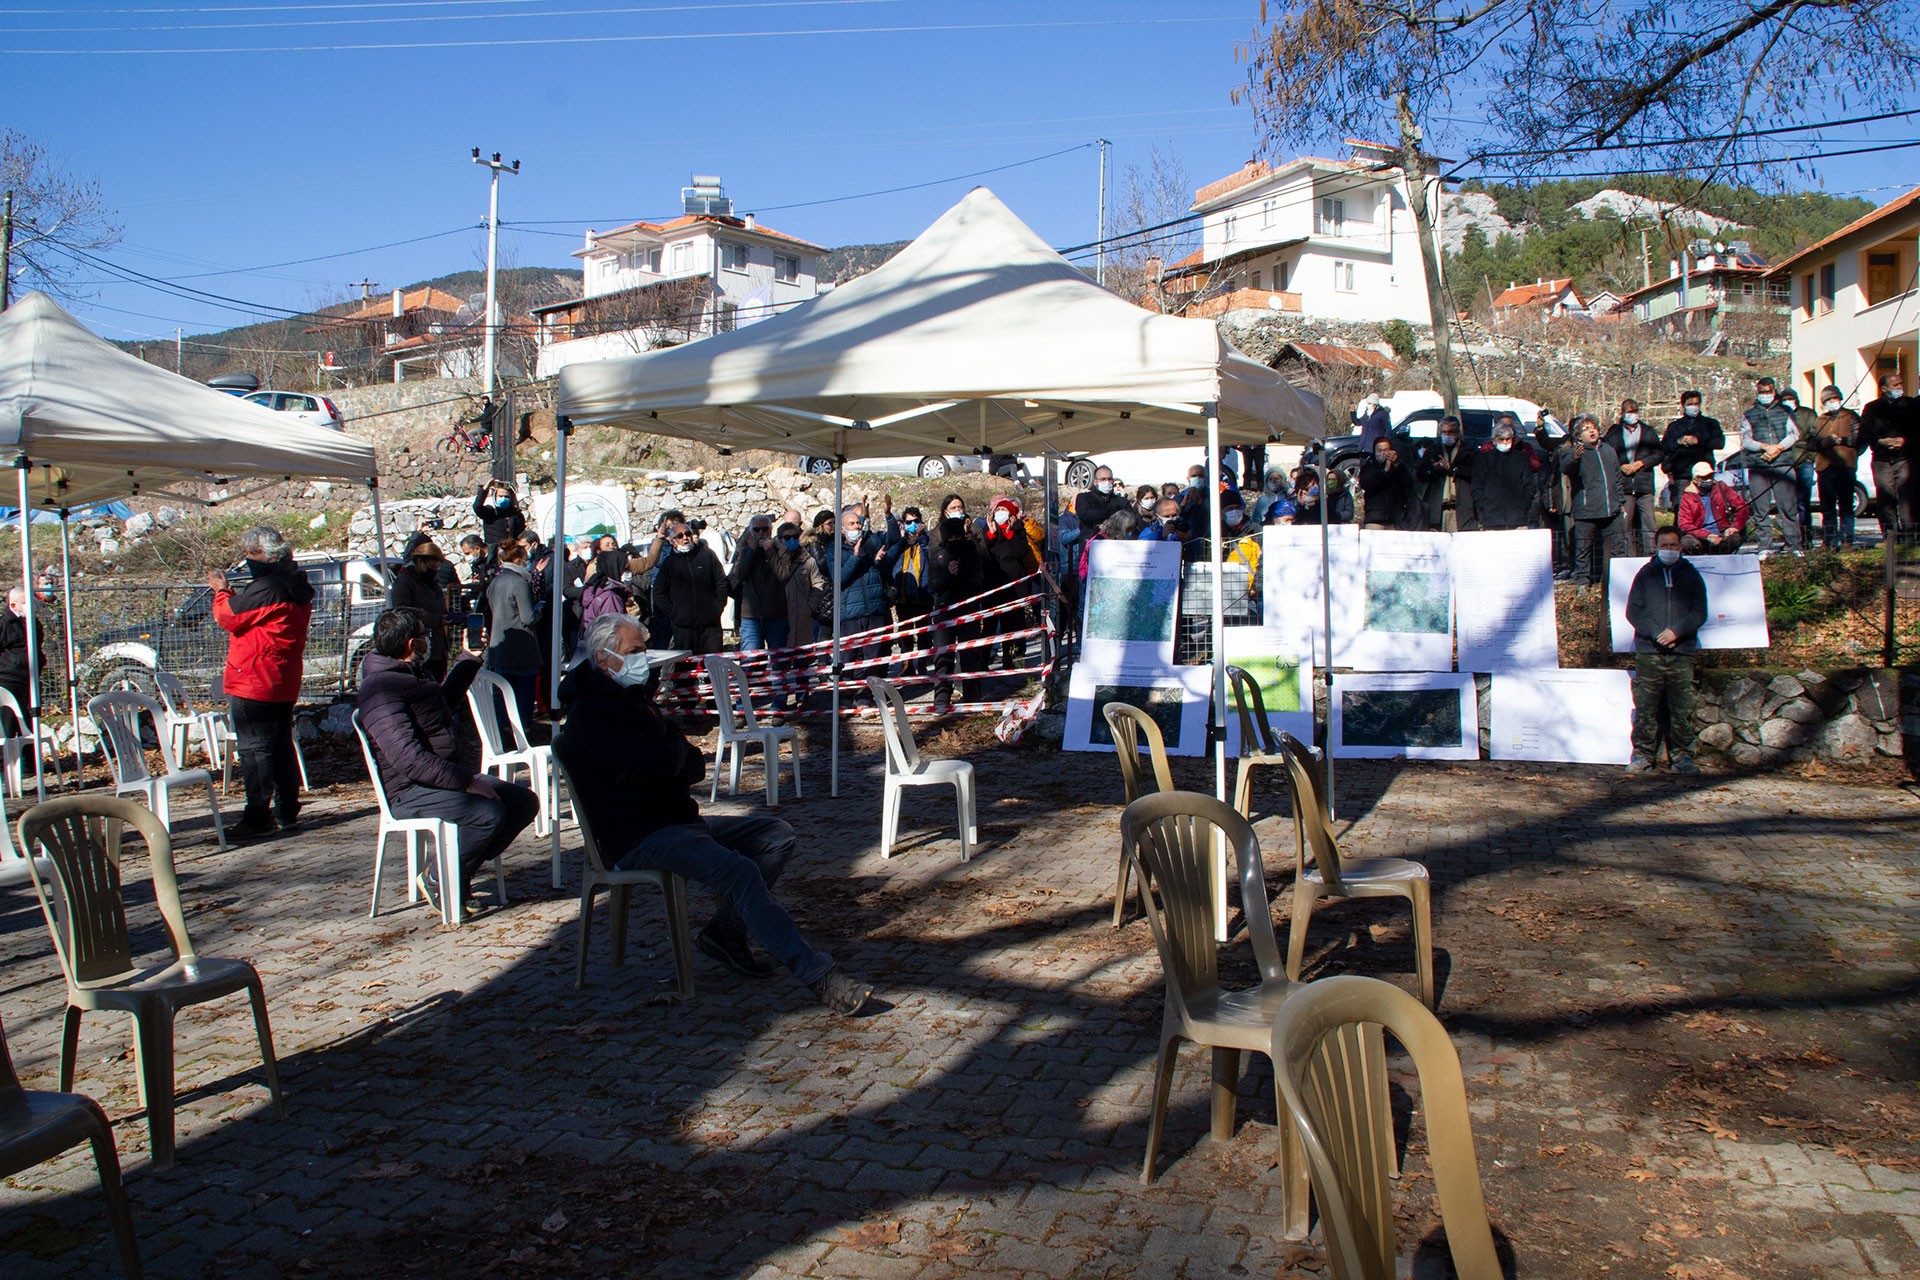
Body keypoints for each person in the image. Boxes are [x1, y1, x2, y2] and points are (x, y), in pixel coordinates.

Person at [555, 613, 874, 1015]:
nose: (643, 660)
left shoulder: (636, 700)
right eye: (634, 652)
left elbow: (690, 765)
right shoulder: (590, 715)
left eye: (643, 650)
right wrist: (669, 759)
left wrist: (667, 760)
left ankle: (726, 931)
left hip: (678, 820)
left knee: (776, 835)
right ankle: (818, 975)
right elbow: (659, 763)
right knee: (739, 871)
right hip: (640, 835)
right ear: (604, 660)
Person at [357, 608, 539, 912]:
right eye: (424, 635)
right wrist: (466, 782)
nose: (430, 640)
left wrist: (469, 658)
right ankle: (439, 877)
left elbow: (444, 704)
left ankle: (456, 871)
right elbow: (408, 759)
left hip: (441, 778)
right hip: (410, 790)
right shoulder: (380, 690)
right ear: (410, 644)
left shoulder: (410, 672)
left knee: (522, 802)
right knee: (487, 813)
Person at [210, 526, 312, 839]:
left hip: (254, 678)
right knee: (280, 748)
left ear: (266, 555)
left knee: (255, 750)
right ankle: (286, 810)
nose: (247, 559)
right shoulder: (297, 584)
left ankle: (257, 816)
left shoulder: (268, 587)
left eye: (251, 554)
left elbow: (229, 616)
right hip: (282, 678)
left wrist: (221, 590)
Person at [1625, 527, 1706, 776]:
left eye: (1673, 546)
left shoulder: (1692, 576)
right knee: (1646, 708)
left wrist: (1676, 632)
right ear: (1656, 546)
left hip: (1681, 652)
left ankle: (1682, 757)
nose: (1669, 550)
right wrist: (1657, 633)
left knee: (1681, 708)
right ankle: (1642, 755)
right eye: (1665, 545)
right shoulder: (1645, 575)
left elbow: (1699, 612)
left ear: (1680, 548)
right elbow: (1634, 611)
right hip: (1650, 652)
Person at [1733, 375, 1802, 554]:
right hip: (1759, 465)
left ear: (1774, 391)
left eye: (1768, 391)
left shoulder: (1786, 411)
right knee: (1760, 508)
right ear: (1757, 392)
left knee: (1788, 507)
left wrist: (1778, 448)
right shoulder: (1749, 414)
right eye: (1762, 392)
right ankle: (1764, 546)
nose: (1765, 395)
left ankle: (1793, 545)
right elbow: (1746, 440)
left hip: (1783, 464)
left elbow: (1794, 434)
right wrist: (1764, 447)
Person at [928, 511, 986, 713]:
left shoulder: (971, 552)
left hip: (967, 609)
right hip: (943, 610)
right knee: (943, 655)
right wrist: (948, 575)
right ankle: (942, 698)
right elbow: (933, 584)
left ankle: (972, 696)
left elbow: (978, 581)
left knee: (970, 654)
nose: (954, 541)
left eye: (957, 537)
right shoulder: (937, 555)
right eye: (950, 538)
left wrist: (960, 575)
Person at [1560, 415, 1625, 588]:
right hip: (1586, 512)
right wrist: (1575, 457)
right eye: (1586, 429)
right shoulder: (1572, 452)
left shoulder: (1608, 450)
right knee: (1583, 549)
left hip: (1611, 509)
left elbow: (1617, 477)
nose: (1591, 431)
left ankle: (1615, 581)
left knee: (1616, 549)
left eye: (1593, 427)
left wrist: (1620, 500)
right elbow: (1566, 467)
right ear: (1578, 436)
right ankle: (1583, 582)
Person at [483, 537, 541, 726]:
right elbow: (527, 618)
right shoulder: (518, 582)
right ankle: (523, 729)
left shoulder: (495, 582)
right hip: (520, 647)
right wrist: (539, 609)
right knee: (524, 693)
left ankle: (503, 728)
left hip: (499, 644)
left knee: (504, 693)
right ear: (519, 561)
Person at [653, 518, 729, 654]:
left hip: (710, 625)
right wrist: (674, 613)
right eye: (680, 536)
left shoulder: (707, 556)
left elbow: (721, 582)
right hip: (683, 628)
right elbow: (659, 593)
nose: (685, 538)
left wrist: (717, 607)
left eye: (688, 534)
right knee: (685, 668)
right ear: (672, 541)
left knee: (714, 665)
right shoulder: (669, 563)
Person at [1604, 398, 1665, 556]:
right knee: (1625, 524)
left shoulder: (1649, 431)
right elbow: (1607, 454)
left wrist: (1642, 463)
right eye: (1629, 412)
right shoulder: (1614, 432)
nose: (1633, 414)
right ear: (1622, 413)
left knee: (1649, 523)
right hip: (1624, 486)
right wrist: (1620, 465)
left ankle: (1652, 554)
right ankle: (1629, 557)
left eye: (1635, 411)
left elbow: (1659, 453)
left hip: (1644, 484)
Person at [880, 507, 935, 672]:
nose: (912, 525)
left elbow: (932, 558)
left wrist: (923, 537)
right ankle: (907, 664)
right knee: (905, 633)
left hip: (922, 593)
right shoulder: (899, 542)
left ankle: (923, 664)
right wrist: (902, 540)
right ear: (903, 524)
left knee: (924, 632)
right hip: (903, 594)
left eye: (915, 521)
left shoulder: (927, 540)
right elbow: (890, 559)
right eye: (909, 522)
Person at [387, 539, 451, 679]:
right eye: (432, 567)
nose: (434, 571)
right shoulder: (404, 582)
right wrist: (433, 619)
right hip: (417, 649)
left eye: (437, 568)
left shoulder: (432, 583)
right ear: (421, 562)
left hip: (437, 648)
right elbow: (402, 612)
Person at [730, 514, 794, 653]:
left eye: (764, 529)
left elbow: (783, 575)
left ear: (770, 530)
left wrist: (770, 552)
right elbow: (739, 575)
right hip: (751, 616)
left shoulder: (781, 550)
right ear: (751, 532)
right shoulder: (745, 551)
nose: (761, 533)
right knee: (751, 661)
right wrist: (752, 552)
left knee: (780, 662)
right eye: (757, 530)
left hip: (776, 615)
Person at [1860, 373, 1914, 537]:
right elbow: (1865, 432)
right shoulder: (1872, 408)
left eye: (1900, 384)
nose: (1900, 388)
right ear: (1884, 389)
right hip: (1882, 460)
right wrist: (1880, 441)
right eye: (1895, 385)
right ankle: (1890, 536)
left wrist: (1904, 440)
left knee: (1907, 497)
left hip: (1904, 458)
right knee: (1885, 498)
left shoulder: (1910, 405)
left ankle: (1911, 534)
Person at [1811, 385, 1862, 549]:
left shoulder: (1851, 416)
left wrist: (1843, 441)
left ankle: (1847, 541)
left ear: (1840, 398)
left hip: (1845, 466)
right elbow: (1811, 443)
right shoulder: (1820, 420)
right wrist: (1823, 443)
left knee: (1846, 506)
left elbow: (1860, 438)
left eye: (1834, 398)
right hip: (1825, 468)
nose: (1832, 402)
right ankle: (1829, 541)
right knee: (1827, 508)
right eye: (1828, 400)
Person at [1474, 418, 1539, 531]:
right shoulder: (1484, 459)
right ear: (1495, 440)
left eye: (1508, 439)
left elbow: (1529, 484)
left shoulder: (1521, 458)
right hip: (1491, 518)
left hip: (1517, 517)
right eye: (1502, 439)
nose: (1505, 443)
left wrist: (1524, 504)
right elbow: (1476, 485)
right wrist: (1483, 505)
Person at [1413, 415, 1475, 532]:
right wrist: (1434, 469)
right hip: (1437, 505)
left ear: (1457, 433)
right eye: (1445, 432)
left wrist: (1452, 469)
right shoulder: (1433, 450)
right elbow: (1420, 474)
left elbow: (1473, 472)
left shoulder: (1468, 450)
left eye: (1451, 432)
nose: (1448, 435)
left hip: (1461, 504)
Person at [1661, 390, 1724, 503]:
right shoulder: (1675, 427)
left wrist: (1698, 441)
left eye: (1696, 404)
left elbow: (1719, 443)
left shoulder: (1710, 424)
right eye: (1690, 404)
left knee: (1706, 507)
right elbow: (1664, 447)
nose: (1693, 407)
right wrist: (1678, 442)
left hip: (1704, 474)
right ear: (1683, 406)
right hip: (1682, 474)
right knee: (1683, 509)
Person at [1676, 460, 1750, 554]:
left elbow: (1742, 507)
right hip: (1699, 535)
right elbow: (1684, 524)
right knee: (1687, 542)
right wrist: (1707, 535)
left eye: (1710, 476)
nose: (1709, 480)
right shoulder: (1687, 496)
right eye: (1704, 477)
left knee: (1734, 538)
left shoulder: (1721, 487)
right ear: (1695, 479)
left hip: (1723, 531)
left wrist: (1735, 526)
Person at [0, 584, 45, 733]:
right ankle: (7, 756)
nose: (30, 606)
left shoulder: (33, 623)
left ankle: (29, 755)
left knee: (29, 723)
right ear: (13, 605)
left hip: (30, 680)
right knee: (9, 723)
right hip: (9, 682)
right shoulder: (5, 624)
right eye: (25, 602)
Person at [1779, 388, 1819, 545]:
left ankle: (1807, 538)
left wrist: (1810, 458)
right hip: (1786, 463)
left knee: (1803, 503)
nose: (1788, 401)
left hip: (1804, 462)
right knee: (1788, 504)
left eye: (1791, 398)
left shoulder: (1808, 414)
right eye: (1785, 399)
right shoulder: (1780, 415)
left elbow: (1815, 436)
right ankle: (1792, 538)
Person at [1357, 436, 1417, 529]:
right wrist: (1384, 471)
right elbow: (1366, 484)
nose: (1383, 453)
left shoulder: (1398, 466)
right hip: (1375, 518)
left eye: (1385, 450)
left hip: (1395, 518)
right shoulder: (1369, 466)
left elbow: (1407, 483)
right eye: (1379, 450)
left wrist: (1396, 465)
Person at [1074, 465, 1130, 531]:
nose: (1107, 482)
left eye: (1109, 479)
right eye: (1103, 479)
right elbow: (1086, 515)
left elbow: (1130, 520)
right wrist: (1112, 511)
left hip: (1116, 538)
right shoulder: (1084, 498)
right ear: (1095, 482)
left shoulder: (1121, 501)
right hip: (1091, 538)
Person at [472, 479, 526, 550]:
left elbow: (521, 534)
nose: (503, 498)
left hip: (511, 552)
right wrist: (485, 489)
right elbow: (477, 507)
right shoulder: (490, 513)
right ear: (495, 497)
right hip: (494, 552)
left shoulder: (516, 515)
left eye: (506, 496)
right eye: (500, 496)